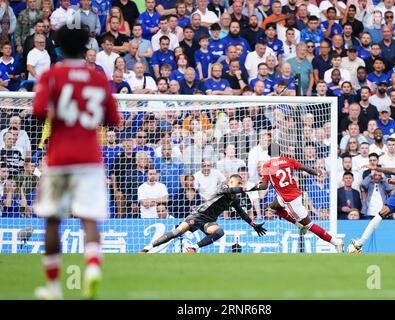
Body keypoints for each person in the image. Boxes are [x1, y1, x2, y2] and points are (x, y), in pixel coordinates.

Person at [32, 26, 120, 300]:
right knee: (89, 218)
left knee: (52, 221)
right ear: (85, 50)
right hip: (90, 158)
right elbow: (114, 120)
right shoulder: (97, 79)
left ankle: (54, 287)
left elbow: (37, 112)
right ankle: (92, 268)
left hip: (59, 158)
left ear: (59, 49)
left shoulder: (52, 75)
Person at [139, 174, 267, 253]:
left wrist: (253, 224)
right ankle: (147, 248)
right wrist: (250, 187)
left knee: (219, 232)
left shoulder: (234, 199)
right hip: (198, 215)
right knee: (177, 232)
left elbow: (242, 214)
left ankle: (193, 248)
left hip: (209, 221)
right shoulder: (222, 188)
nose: (240, 185)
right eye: (238, 183)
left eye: (242, 183)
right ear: (230, 182)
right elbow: (233, 190)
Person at [252, 147, 344, 252]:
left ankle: (336, 242)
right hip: (287, 195)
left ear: (269, 154)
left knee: (310, 225)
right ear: (280, 152)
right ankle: (299, 225)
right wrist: (317, 173)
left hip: (291, 199)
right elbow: (307, 169)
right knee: (272, 209)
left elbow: (264, 186)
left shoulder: (267, 165)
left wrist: (253, 188)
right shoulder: (288, 160)